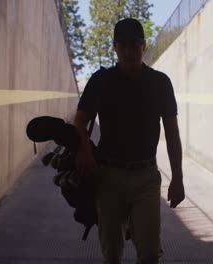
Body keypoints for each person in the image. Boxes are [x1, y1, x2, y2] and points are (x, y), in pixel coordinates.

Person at [73, 18, 185, 264]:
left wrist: (177, 178)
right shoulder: (101, 81)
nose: (128, 50)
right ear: (114, 47)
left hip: (145, 177)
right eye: (122, 44)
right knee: (111, 255)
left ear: (143, 46)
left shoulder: (160, 83)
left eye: (134, 44)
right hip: (108, 177)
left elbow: (173, 134)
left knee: (149, 254)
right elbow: (80, 121)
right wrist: (85, 151)